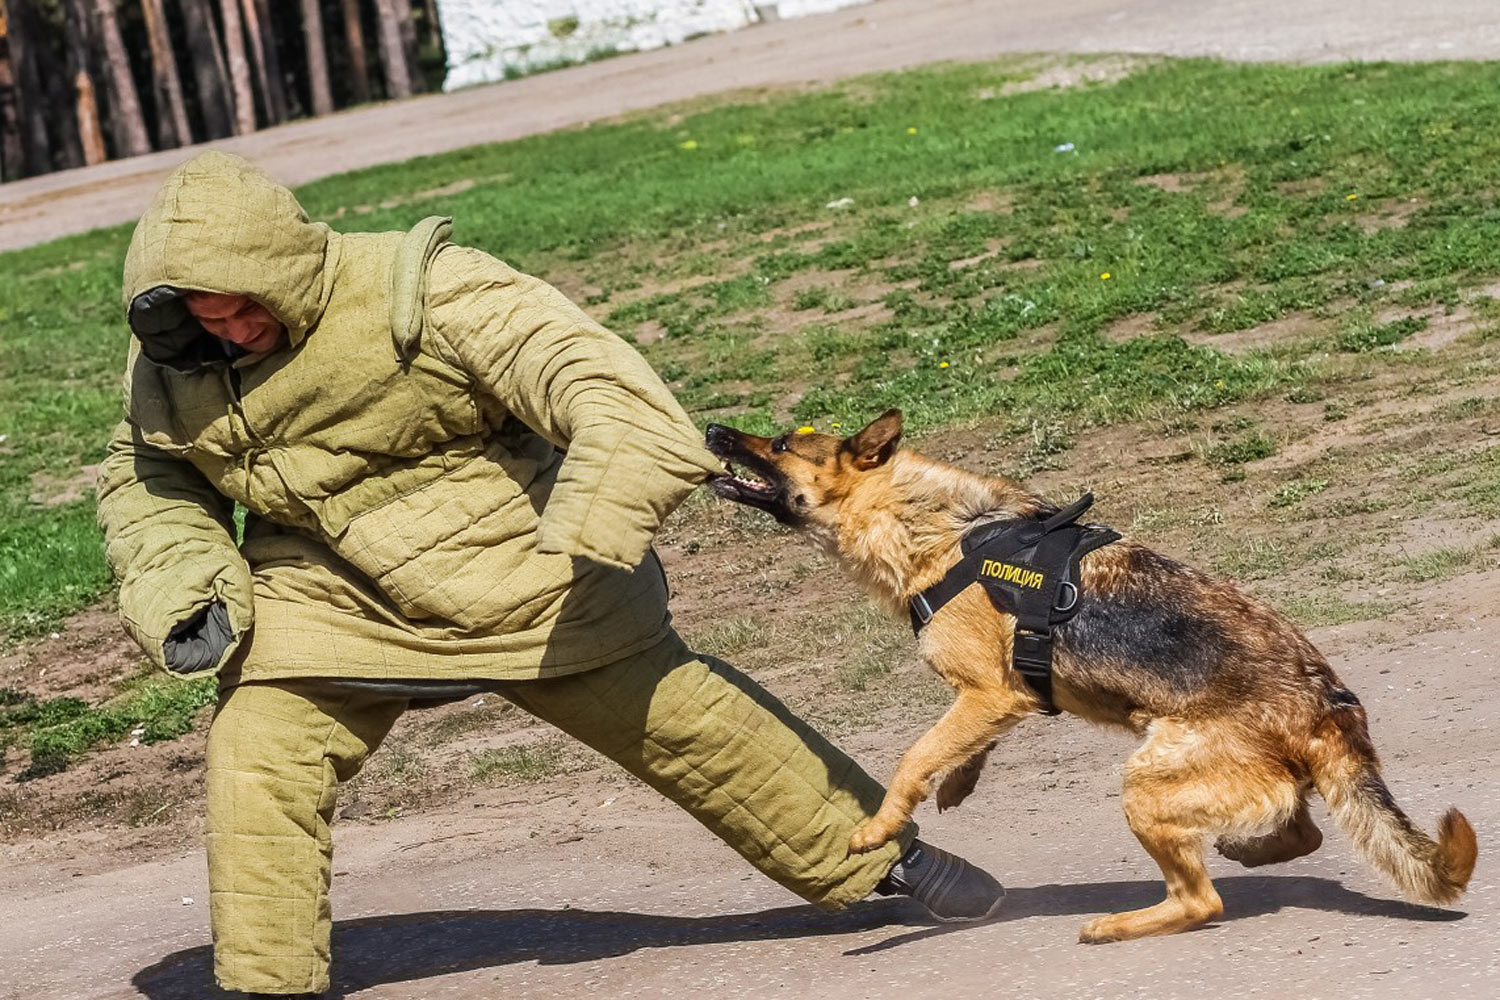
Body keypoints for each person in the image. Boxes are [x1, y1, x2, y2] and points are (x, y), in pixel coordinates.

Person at [96, 151, 1003, 998]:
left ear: (284, 265)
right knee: (258, 750)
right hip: (329, 591)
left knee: (690, 724)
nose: (233, 333)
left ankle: (893, 863)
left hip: (525, 568)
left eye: (244, 308)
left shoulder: (427, 290)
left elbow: (595, 380)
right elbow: (149, 474)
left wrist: (596, 517)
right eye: (206, 320)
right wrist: (180, 581)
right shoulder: (175, 359)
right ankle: (267, 984)